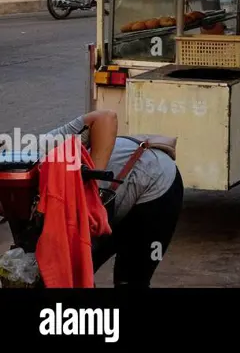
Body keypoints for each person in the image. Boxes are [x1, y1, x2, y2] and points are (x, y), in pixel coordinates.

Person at [43, 110, 183, 287]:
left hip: (157, 184)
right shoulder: (13, 202)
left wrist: (92, 191)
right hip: (112, 204)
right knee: (74, 274)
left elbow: (106, 117)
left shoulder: (39, 149)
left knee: (131, 279)